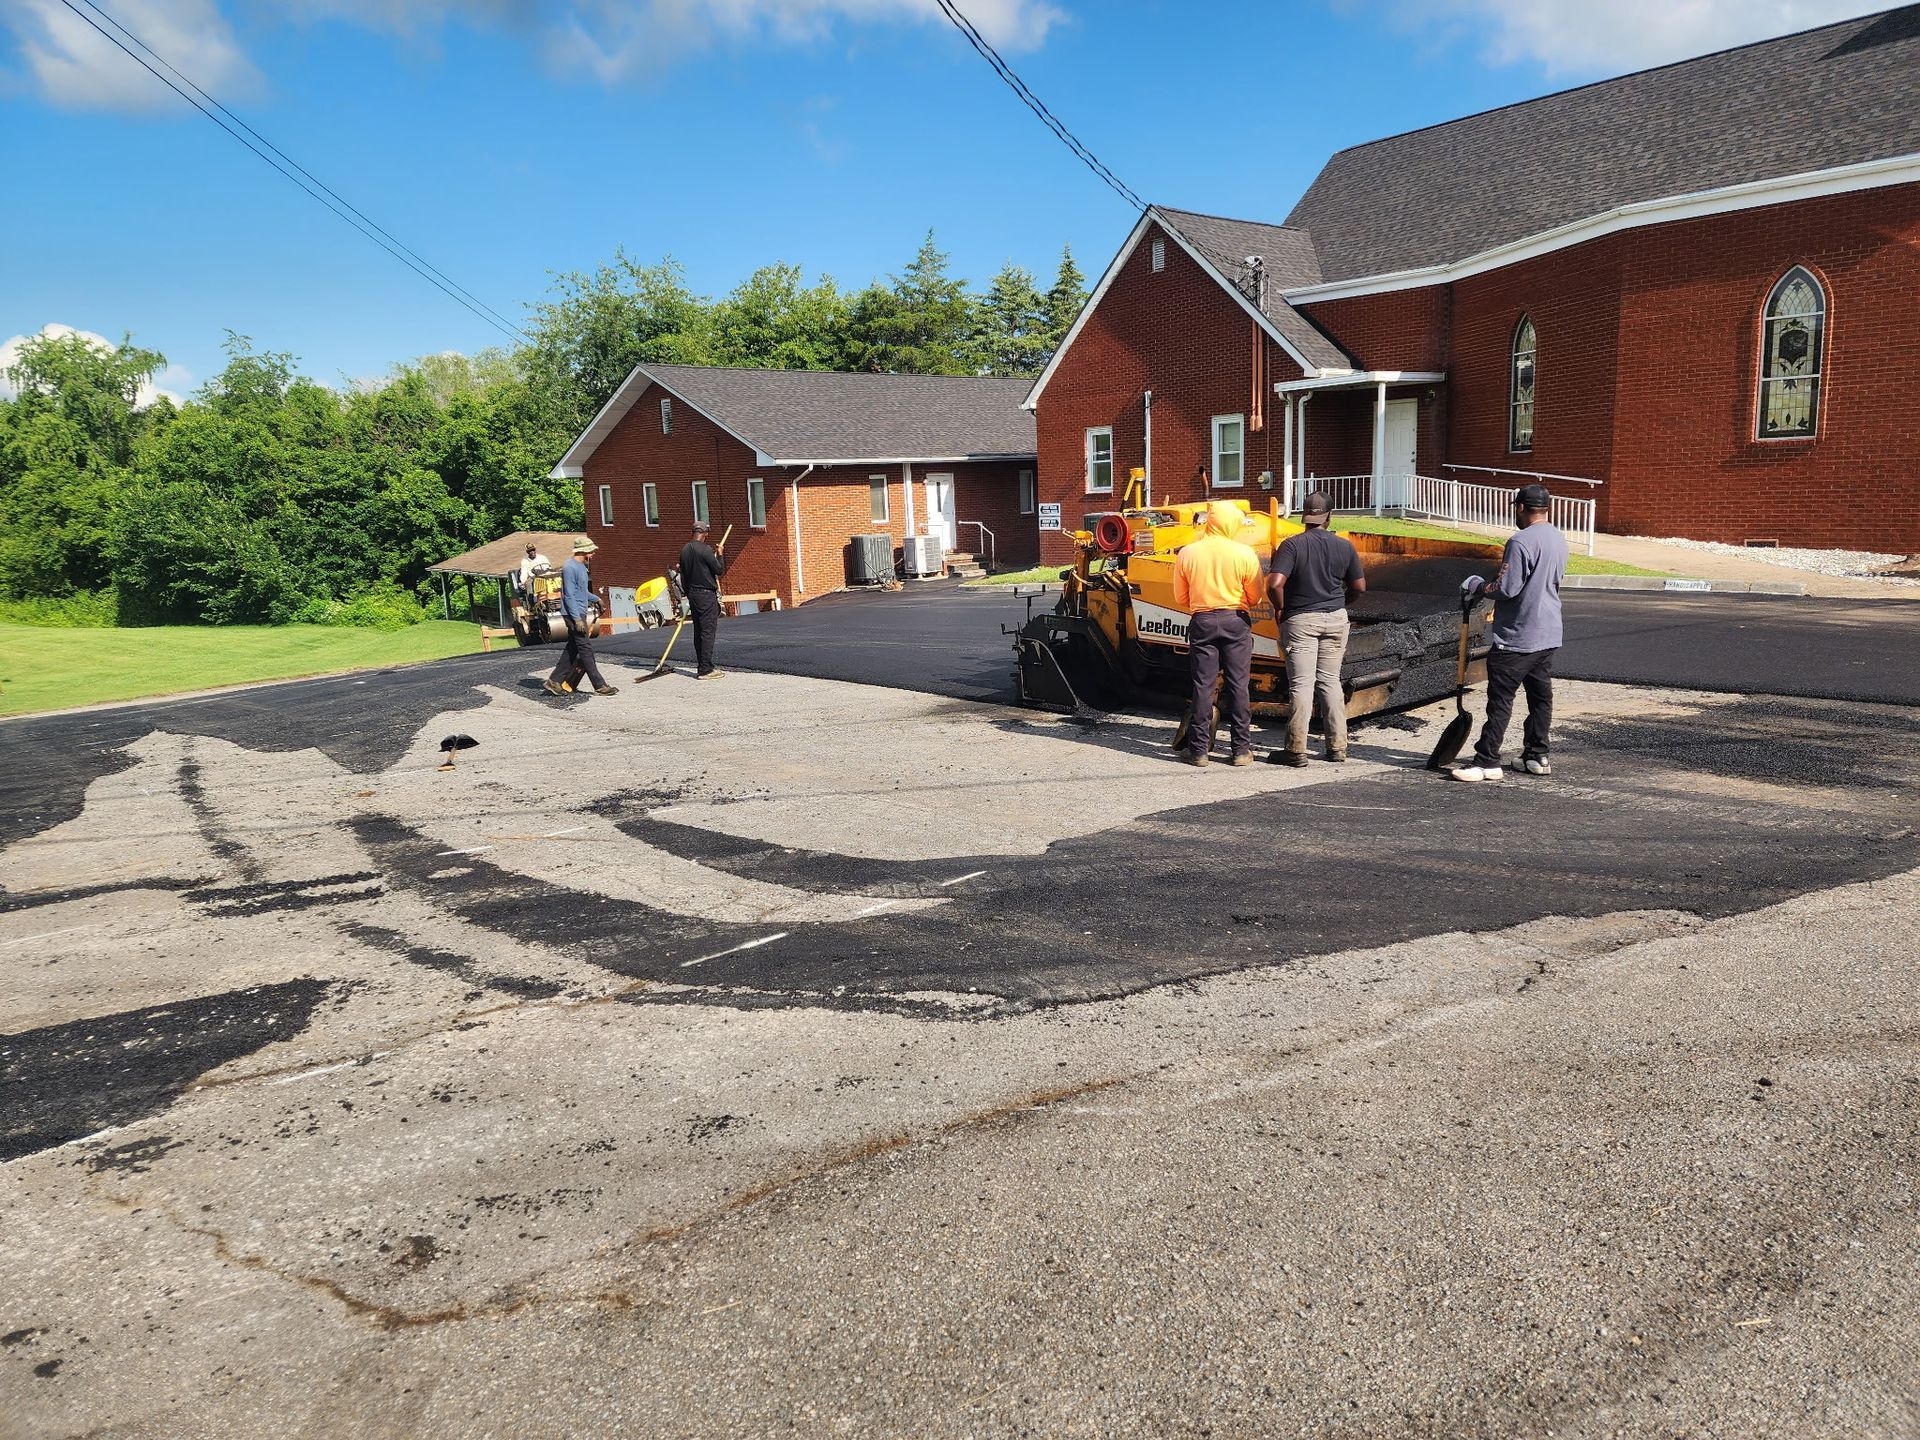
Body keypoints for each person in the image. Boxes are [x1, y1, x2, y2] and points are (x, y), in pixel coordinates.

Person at [1450, 483, 1568, 782]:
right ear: (1546, 508)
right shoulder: (1558, 538)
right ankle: (1536, 755)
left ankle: (1488, 760)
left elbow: (1506, 588)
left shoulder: (1520, 542)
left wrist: (1476, 586)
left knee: (1501, 699)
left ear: (1519, 507)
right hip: (1548, 631)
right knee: (1540, 697)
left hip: (1518, 635)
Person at [1268, 491, 1366, 766]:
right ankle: (1337, 748)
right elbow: (1359, 587)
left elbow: (1274, 584)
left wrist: (1281, 609)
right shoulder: (1344, 546)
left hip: (1301, 620)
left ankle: (1296, 750)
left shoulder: (1292, 546)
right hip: (1336, 619)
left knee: (1301, 683)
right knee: (1330, 681)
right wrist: (1339, 604)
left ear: (1305, 517)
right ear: (1329, 516)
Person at [1172, 499, 1264, 767]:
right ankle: (1240, 751)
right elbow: (1256, 597)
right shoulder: (1244, 553)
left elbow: (1180, 596)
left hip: (1202, 620)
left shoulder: (1188, 553)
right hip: (1236, 620)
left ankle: (1199, 751)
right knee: (1238, 685)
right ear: (1232, 524)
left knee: (1203, 685)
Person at [543, 536, 616, 698]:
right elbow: (569, 596)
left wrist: (596, 599)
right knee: (585, 649)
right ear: (582, 550)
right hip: (572, 613)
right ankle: (600, 685)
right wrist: (576, 619)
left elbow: (581, 592)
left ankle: (554, 681)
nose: (594, 551)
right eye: (591, 549)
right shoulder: (569, 567)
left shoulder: (582, 566)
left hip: (579, 611)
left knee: (573, 647)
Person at [679, 521, 728, 680]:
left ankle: (702, 666)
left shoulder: (685, 550)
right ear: (705, 533)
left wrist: (688, 593)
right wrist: (720, 554)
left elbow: (684, 576)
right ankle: (706, 669)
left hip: (693, 594)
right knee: (707, 631)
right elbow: (719, 570)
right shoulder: (705, 550)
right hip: (706, 594)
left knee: (698, 631)